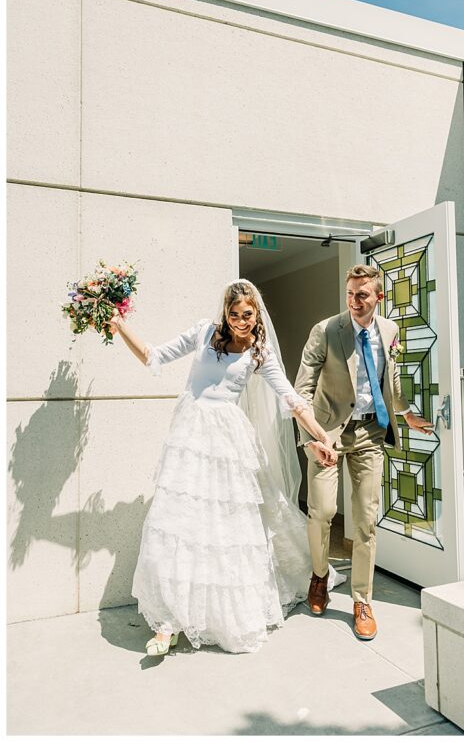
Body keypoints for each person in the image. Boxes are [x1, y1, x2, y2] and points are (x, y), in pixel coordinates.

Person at [108, 279, 341, 655]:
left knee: (224, 528)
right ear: (225, 313)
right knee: (180, 524)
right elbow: (153, 355)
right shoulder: (203, 334)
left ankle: (217, 614)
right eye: (234, 315)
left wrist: (322, 437)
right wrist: (119, 327)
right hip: (189, 439)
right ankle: (168, 623)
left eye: (247, 315)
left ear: (256, 314)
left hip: (228, 442)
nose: (240, 322)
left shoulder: (259, 354)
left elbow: (292, 400)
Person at [295, 264, 433, 641]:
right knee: (323, 511)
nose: (355, 302)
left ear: (378, 297)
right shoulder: (325, 331)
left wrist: (406, 414)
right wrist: (313, 437)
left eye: (362, 295)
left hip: (371, 432)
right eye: (350, 294)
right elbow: (301, 391)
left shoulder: (389, 330)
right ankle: (320, 576)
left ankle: (362, 600)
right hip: (327, 432)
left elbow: (388, 379)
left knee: (366, 521)